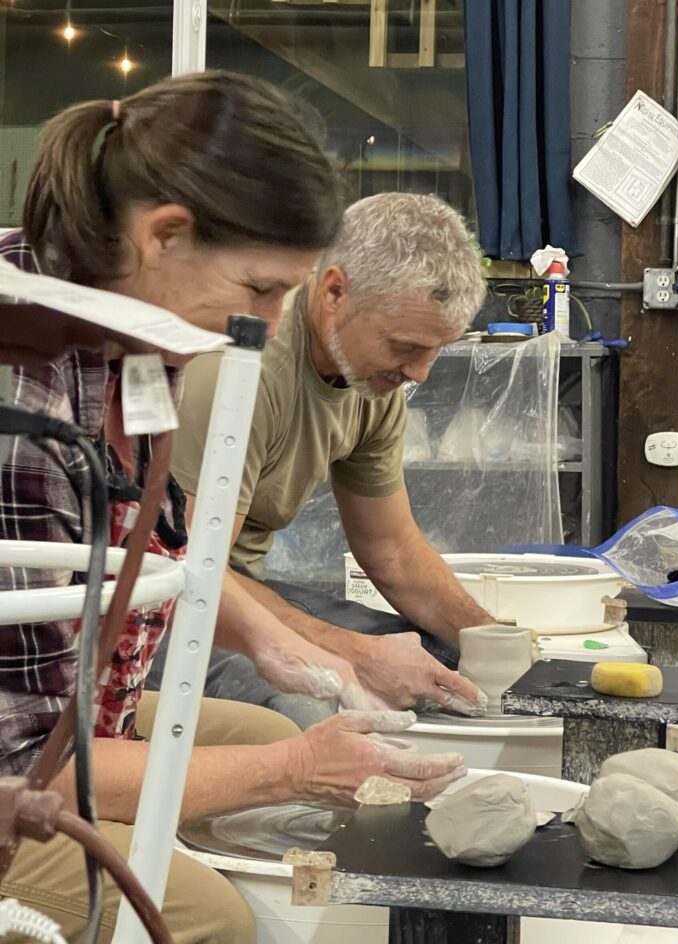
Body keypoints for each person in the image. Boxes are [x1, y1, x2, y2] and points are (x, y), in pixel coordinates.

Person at [0, 73, 465, 944]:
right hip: (18, 766)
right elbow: (31, 770)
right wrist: (290, 770)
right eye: (260, 288)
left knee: (253, 718)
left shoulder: (138, 329)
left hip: (52, 714)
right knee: (213, 916)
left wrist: (278, 643)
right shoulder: (24, 404)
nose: (272, 320)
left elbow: (160, 540)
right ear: (165, 234)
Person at [153, 193, 496, 729]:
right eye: (406, 346)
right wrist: (350, 658)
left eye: (435, 351)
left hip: (231, 581)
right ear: (335, 291)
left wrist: (495, 639)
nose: (421, 373)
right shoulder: (241, 369)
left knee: (439, 662)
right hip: (153, 604)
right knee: (310, 706)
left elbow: (393, 549)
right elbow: (190, 573)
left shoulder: (373, 378)